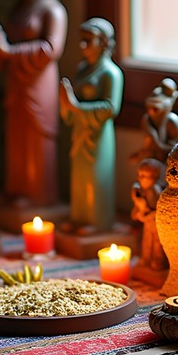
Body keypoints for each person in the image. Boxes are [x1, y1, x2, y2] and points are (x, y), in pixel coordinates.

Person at [0, 0, 67, 207]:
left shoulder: (52, 10)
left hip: (39, 83)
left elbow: (51, 49)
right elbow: (6, 46)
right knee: (16, 134)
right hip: (17, 82)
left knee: (36, 135)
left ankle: (38, 192)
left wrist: (10, 51)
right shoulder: (17, 9)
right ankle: (16, 187)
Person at [59, 17, 124, 235]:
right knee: (79, 176)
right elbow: (72, 100)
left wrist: (76, 107)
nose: (82, 46)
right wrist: (65, 104)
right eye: (81, 40)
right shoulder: (82, 69)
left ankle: (98, 221)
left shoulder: (111, 73)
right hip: (80, 132)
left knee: (97, 176)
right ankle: (79, 217)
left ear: (104, 42)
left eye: (89, 40)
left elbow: (110, 108)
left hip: (99, 136)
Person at [128, 77, 178, 170]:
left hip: (166, 164)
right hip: (150, 160)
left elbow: (177, 148)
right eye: (149, 107)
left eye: (156, 109)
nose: (151, 111)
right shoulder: (146, 120)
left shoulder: (171, 120)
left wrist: (158, 146)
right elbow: (147, 146)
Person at [131, 157, 167, 270]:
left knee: (157, 244)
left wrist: (146, 215)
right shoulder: (141, 190)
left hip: (157, 225)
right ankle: (146, 259)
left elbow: (161, 211)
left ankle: (158, 260)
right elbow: (137, 210)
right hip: (148, 224)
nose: (140, 178)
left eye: (144, 176)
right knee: (146, 242)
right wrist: (138, 211)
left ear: (155, 177)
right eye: (139, 174)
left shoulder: (155, 191)